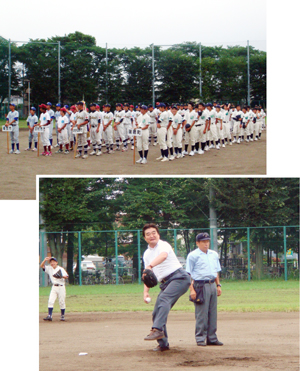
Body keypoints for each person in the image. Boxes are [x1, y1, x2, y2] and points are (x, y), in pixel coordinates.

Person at [142, 223, 191, 352]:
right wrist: (145, 292)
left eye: (154, 233)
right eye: (148, 234)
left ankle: (157, 330)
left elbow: (163, 256)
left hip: (179, 277)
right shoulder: (147, 254)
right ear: (144, 238)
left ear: (158, 234)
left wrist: (150, 266)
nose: (151, 235)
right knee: (156, 312)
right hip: (166, 282)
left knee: (164, 299)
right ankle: (163, 344)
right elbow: (147, 275)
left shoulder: (163, 245)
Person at [186, 232, 223, 346]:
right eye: (203, 242)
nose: (206, 244)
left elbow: (216, 271)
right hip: (200, 285)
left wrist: (218, 285)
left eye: (207, 241)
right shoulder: (192, 256)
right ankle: (200, 338)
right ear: (197, 243)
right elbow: (188, 274)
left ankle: (212, 338)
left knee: (212, 313)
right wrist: (192, 290)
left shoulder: (213, 254)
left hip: (212, 284)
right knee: (202, 313)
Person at [40, 256, 69, 321]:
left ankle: (62, 316)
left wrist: (61, 276)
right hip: (54, 287)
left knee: (61, 302)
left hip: (61, 287)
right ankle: (49, 316)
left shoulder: (60, 269)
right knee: (50, 301)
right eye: (51, 262)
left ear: (56, 262)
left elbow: (67, 276)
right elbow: (41, 266)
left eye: (54, 262)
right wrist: (45, 260)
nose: (52, 263)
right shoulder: (49, 268)